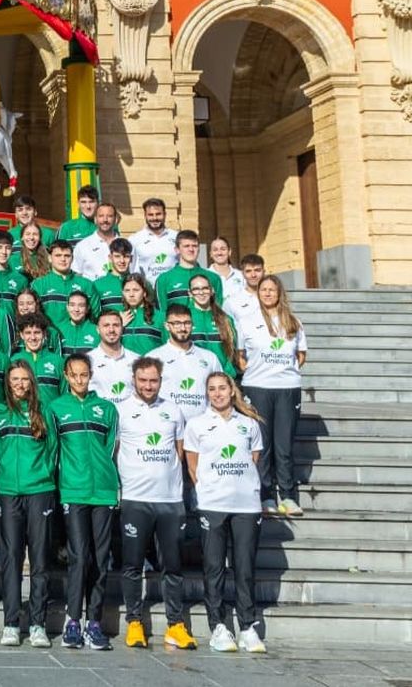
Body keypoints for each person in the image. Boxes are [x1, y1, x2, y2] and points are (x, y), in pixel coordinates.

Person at [115, 356, 195, 650]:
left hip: (169, 500)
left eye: (153, 381)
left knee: (172, 565)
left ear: (161, 381)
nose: (148, 386)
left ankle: (175, 625)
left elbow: (180, 451)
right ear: (133, 380)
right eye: (143, 380)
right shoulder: (120, 410)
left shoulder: (173, 410)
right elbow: (115, 450)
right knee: (132, 564)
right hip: (135, 499)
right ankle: (134, 622)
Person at [185, 372, 268, 654]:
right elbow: (192, 465)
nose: (217, 393)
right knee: (214, 567)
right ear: (206, 393)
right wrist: (207, 489)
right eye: (212, 389)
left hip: (246, 505)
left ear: (232, 391)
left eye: (222, 388)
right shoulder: (197, 425)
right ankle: (218, 626)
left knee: (245, 568)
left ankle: (247, 626)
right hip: (212, 504)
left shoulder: (249, 424)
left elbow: (253, 459)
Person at [50, 354, 118, 651]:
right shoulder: (56, 409)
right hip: (73, 491)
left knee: (101, 559)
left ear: (91, 375)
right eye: (74, 375)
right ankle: (73, 621)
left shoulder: (107, 409)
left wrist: (108, 480)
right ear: (66, 376)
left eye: (84, 374)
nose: (79, 380)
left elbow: (110, 448)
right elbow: (54, 450)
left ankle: (94, 623)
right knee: (79, 557)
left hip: (103, 491)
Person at [0, 361, 56, 648]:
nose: (20, 384)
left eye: (25, 379)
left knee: (39, 559)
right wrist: (4, 476)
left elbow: (53, 450)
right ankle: (12, 623)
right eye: (15, 379)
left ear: (32, 382)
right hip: (8, 492)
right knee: (11, 557)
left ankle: (38, 623)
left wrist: (43, 475)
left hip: (39, 490)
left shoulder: (44, 411)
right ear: (8, 382)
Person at [237, 275, 308, 518]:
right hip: (257, 388)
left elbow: (301, 355)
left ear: (280, 293)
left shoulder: (293, 322)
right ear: (258, 293)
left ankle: (288, 496)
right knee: (262, 445)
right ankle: (265, 496)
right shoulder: (247, 321)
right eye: (263, 289)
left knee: (284, 445)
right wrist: (257, 371)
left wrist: (283, 372)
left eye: (272, 290)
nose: (267, 293)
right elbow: (240, 355)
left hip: (287, 388)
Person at [148, 304, 225, 419]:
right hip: (167, 424)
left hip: (202, 425)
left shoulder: (209, 358)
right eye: (177, 323)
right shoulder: (153, 357)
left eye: (187, 323)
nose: (182, 328)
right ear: (167, 326)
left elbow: (220, 390)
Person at [157, 230, 223, 309]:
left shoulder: (214, 278)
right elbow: (161, 312)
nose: (191, 249)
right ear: (177, 250)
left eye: (194, 246)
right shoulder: (164, 279)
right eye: (186, 246)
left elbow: (218, 310)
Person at [86, 310, 140, 406]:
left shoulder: (136, 360)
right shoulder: (87, 360)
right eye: (106, 325)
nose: (111, 330)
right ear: (98, 329)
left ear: (122, 328)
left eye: (116, 325)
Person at [129, 197, 177, 288]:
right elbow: (132, 269)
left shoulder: (176, 237)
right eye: (150, 215)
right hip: (148, 291)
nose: (154, 218)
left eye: (158, 214)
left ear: (165, 214)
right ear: (145, 216)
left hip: (173, 289)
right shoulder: (134, 240)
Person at [70, 203, 119, 282]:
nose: (105, 220)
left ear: (115, 219)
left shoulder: (126, 245)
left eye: (109, 216)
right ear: (95, 219)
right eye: (101, 216)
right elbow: (76, 275)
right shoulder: (82, 246)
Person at [222, 253, 267, 326]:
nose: (253, 275)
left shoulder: (274, 296)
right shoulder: (232, 302)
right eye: (248, 271)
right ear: (242, 274)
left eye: (257, 270)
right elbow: (226, 328)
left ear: (264, 271)